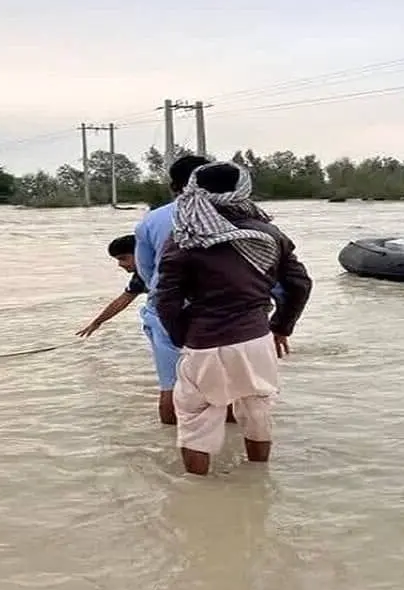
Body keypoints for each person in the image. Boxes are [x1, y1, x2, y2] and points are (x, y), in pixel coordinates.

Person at [154, 161, 312, 476]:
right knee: (257, 410)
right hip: (256, 339)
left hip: (204, 342)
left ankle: (197, 497)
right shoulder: (270, 233)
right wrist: (281, 327)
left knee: (197, 420)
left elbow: (166, 297)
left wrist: (181, 335)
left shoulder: (186, 236)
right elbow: (300, 284)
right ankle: (258, 479)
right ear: (243, 188)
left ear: (193, 188)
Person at [134, 155, 212, 425]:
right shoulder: (236, 215)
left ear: (172, 186)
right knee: (229, 390)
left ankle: (171, 452)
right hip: (223, 312)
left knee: (171, 386)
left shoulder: (152, 220)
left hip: (167, 310)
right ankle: (234, 457)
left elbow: (145, 271)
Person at [76, 234, 148, 337]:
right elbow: (122, 301)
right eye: (118, 260)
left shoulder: (165, 269)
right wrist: (97, 322)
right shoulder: (141, 277)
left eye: (123, 258)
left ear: (140, 253)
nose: (120, 264)